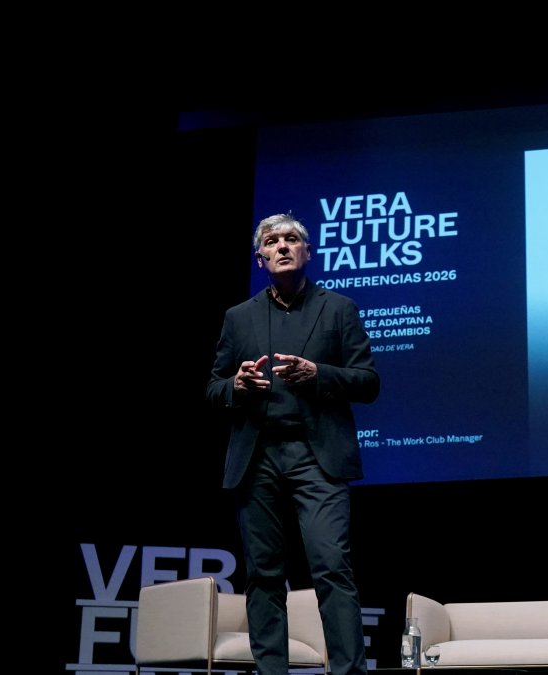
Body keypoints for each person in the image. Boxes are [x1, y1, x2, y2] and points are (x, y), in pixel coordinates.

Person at [206, 213, 379, 675]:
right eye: (271, 241)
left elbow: (368, 382)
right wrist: (235, 386)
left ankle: (348, 674)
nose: (282, 246)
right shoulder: (237, 317)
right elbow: (213, 387)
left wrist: (318, 373)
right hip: (257, 458)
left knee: (331, 566)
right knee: (263, 575)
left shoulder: (339, 308)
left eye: (291, 239)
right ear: (260, 257)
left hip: (316, 457)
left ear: (306, 252)